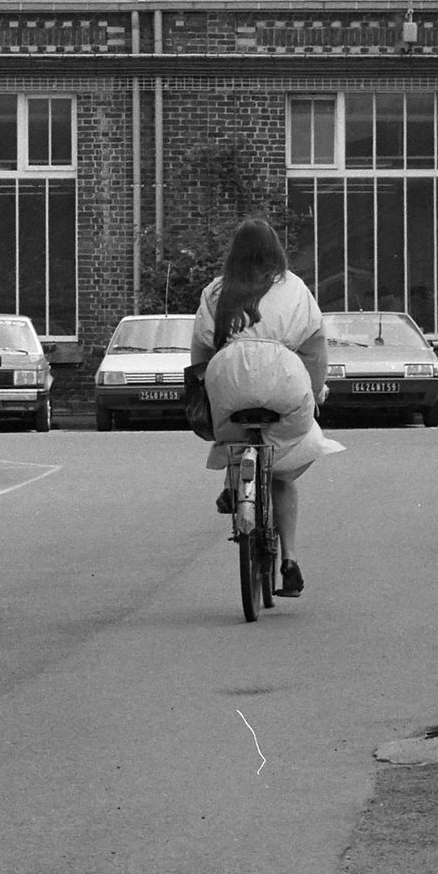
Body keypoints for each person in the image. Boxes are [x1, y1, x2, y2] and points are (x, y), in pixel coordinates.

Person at [188, 218, 330, 596]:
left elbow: (201, 349)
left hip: (227, 374)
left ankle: (234, 482)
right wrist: (315, 391)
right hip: (284, 374)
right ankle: (290, 561)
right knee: (286, 461)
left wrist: (206, 386)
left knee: (231, 434)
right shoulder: (295, 287)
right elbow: (315, 343)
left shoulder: (216, 290)